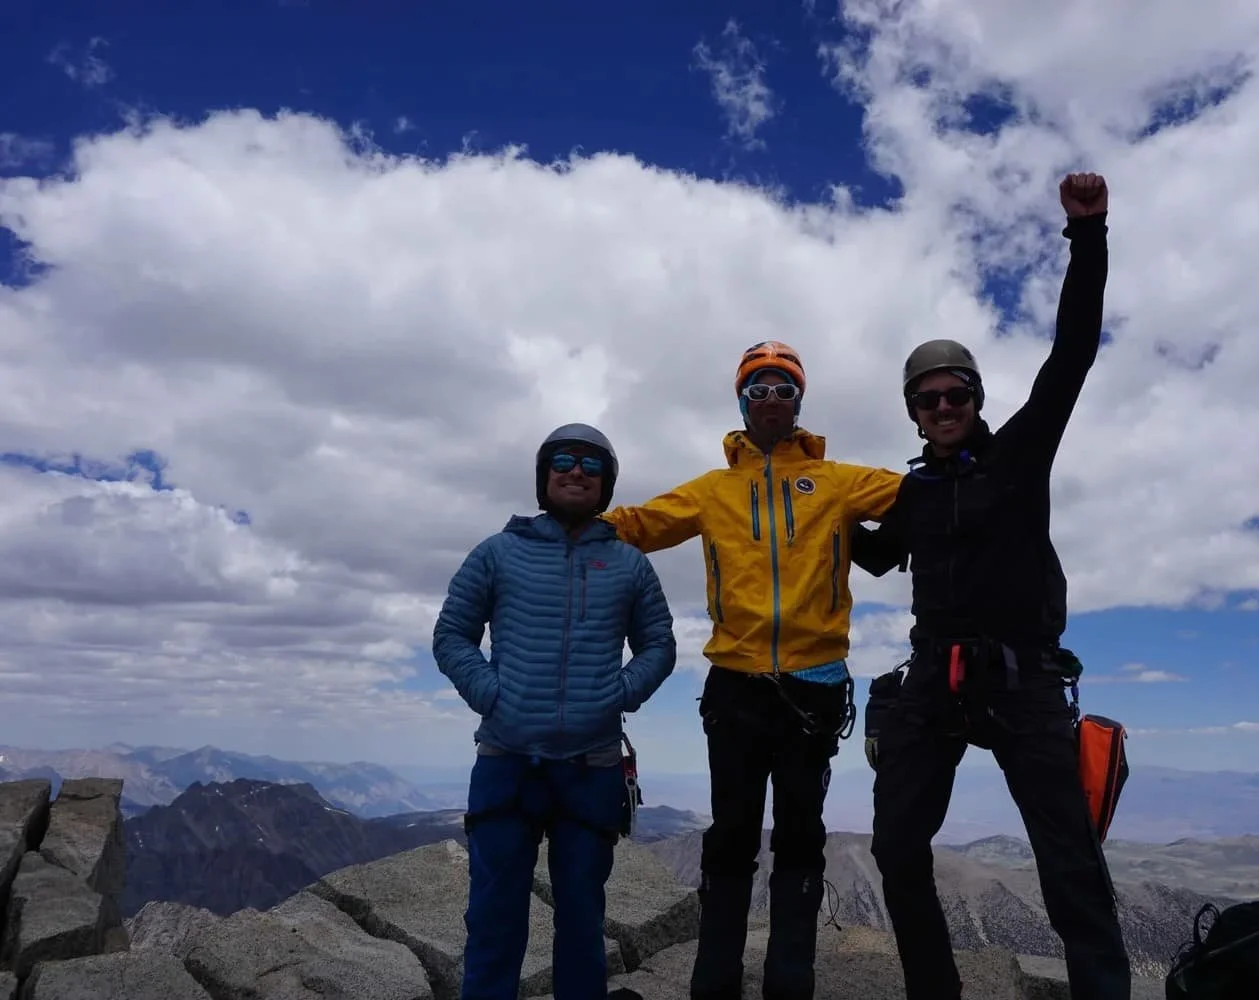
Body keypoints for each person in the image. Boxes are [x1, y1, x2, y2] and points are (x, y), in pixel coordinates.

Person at [849, 173, 1131, 1000]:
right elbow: (874, 558)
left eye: (956, 394)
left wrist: (1088, 234)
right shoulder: (914, 492)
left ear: (977, 398)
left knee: (1068, 861)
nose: (943, 406)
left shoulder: (1020, 453)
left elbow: (1073, 351)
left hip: (1022, 678)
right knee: (897, 848)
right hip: (933, 679)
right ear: (913, 412)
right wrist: (815, 512)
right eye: (928, 399)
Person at [600, 341, 903, 1000]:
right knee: (731, 837)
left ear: (800, 401)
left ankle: (789, 984)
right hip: (734, 689)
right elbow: (639, 525)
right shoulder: (714, 490)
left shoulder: (840, 481)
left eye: (783, 388)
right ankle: (715, 984)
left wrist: (977, 467)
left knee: (799, 841)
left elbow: (921, 495)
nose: (771, 398)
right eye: (758, 388)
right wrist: (565, 528)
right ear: (742, 400)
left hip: (813, 691)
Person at [433, 422, 677, 1000]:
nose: (576, 472)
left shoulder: (629, 563)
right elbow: (451, 637)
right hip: (507, 760)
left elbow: (660, 646)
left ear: (606, 485)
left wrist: (616, 696)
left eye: (592, 466)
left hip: (590, 767)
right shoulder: (497, 552)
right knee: (493, 917)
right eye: (564, 460)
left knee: (582, 920)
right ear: (543, 476)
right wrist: (494, 696)